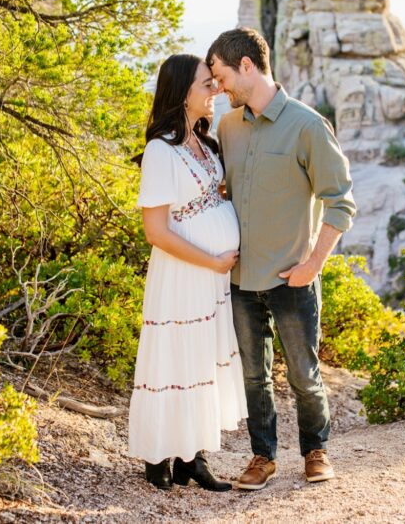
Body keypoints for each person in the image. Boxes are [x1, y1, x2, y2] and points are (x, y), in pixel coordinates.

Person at [207, 28, 356, 490]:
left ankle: (316, 451)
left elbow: (341, 202)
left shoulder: (308, 125)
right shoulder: (228, 127)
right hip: (240, 279)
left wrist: (314, 264)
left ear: (246, 66)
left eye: (221, 75)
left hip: (292, 278)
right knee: (255, 377)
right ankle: (262, 457)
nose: (219, 86)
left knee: (304, 376)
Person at [128, 54, 248, 491]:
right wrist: (212, 259)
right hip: (183, 274)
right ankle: (158, 455)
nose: (214, 90)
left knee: (201, 361)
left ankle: (191, 458)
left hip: (211, 278)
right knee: (174, 359)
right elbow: (156, 231)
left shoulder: (205, 141)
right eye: (205, 84)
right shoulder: (160, 151)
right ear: (181, 93)